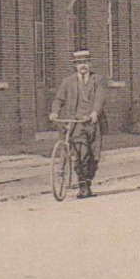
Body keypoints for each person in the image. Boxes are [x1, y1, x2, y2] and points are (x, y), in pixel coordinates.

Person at [50, 49, 107, 199]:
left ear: (90, 64)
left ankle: (87, 182)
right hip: (74, 124)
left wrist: (95, 112)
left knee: (93, 156)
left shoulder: (98, 80)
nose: (83, 66)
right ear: (75, 66)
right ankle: (83, 186)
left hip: (91, 123)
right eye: (79, 63)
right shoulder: (68, 82)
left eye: (85, 62)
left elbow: (100, 98)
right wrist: (55, 112)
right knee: (79, 154)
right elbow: (59, 99)